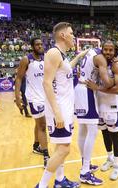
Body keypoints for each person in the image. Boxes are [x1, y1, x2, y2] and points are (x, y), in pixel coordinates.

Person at [36, 22, 87, 188]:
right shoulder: (53, 52)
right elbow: (46, 83)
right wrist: (57, 113)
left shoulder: (61, 56)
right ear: (63, 35)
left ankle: (59, 181)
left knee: (60, 147)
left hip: (64, 108)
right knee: (65, 149)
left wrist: (79, 57)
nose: (74, 36)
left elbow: (65, 68)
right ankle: (42, 185)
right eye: (71, 33)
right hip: (59, 109)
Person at [74, 45, 114, 185]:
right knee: (92, 131)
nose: (108, 53)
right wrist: (115, 76)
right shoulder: (100, 58)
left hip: (79, 88)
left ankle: (86, 163)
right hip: (87, 91)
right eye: (107, 50)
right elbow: (108, 83)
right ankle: (85, 172)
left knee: (83, 130)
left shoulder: (90, 52)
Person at [86, 41, 118, 180]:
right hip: (100, 104)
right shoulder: (99, 64)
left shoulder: (117, 65)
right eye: (105, 50)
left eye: (110, 50)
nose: (108, 52)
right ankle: (110, 158)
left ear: (115, 51)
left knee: (114, 135)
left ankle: (117, 166)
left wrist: (97, 88)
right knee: (105, 134)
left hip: (112, 106)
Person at [15, 38, 49, 168]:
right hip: (34, 98)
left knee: (38, 123)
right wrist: (17, 98)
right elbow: (18, 78)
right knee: (42, 125)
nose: (40, 46)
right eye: (37, 44)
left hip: (45, 96)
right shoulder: (27, 59)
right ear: (32, 46)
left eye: (41, 44)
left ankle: (36, 146)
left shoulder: (45, 58)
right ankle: (46, 156)